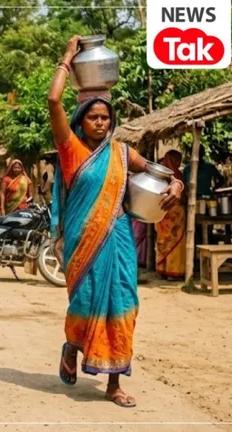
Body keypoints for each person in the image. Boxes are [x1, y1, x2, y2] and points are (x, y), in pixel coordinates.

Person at [48, 36, 183, 408]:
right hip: (83, 243)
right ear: (81, 119)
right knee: (84, 305)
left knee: (123, 306)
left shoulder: (122, 152)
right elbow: (54, 101)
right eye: (93, 116)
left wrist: (177, 183)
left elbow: (159, 172)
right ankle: (72, 347)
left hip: (119, 239)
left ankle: (113, 384)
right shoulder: (71, 149)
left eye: (105, 117)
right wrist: (67, 57)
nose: (99, 122)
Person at [155, 150, 187, 280]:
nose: (179, 162)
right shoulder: (177, 176)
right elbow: (183, 196)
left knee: (163, 241)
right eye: (177, 160)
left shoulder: (160, 175)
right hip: (176, 214)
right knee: (176, 241)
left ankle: (162, 269)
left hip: (161, 213)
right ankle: (173, 271)